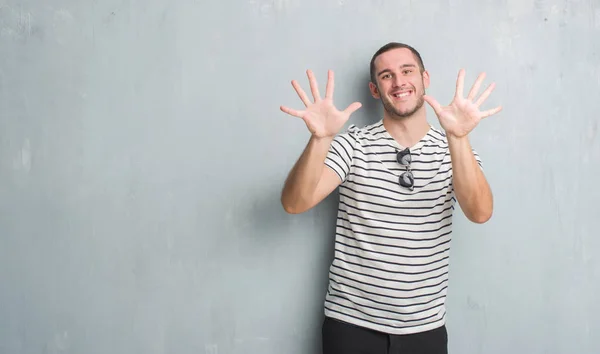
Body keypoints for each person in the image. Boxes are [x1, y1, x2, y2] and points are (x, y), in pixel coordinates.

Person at [279, 42, 502, 354]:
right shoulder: (352, 145)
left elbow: (479, 212)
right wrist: (320, 139)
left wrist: (459, 137)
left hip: (424, 327)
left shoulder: (454, 149)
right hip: (350, 324)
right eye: (386, 76)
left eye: (407, 71)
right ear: (374, 89)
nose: (399, 82)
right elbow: (295, 203)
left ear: (425, 78)